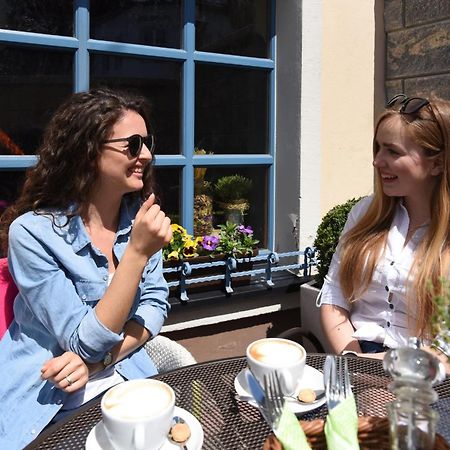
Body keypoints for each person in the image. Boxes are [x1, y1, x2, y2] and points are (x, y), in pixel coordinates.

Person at [0, 88, 172, 448]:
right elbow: (83, 342)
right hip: (47, 400)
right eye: (134, 143)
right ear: (89, 150)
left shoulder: (136, 224)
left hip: (127, 383)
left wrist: (102, 361)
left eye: (148, 142)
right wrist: (137, 254)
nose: (147, 154)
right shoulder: (32, 233)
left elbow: (155, 305)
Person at [319, 94, 450, 373]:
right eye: (377, 148)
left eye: (393, 151)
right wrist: (353, 360)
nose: (377, 161)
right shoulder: (365, 213)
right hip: (355, 358)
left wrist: (378, 370)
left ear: (437, 164)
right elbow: (334, 294)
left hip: (427, 378)